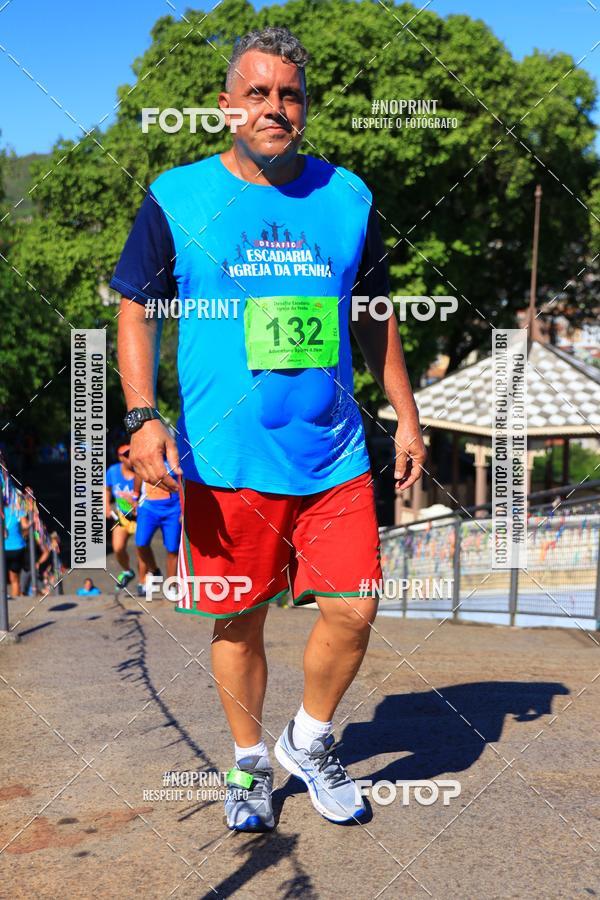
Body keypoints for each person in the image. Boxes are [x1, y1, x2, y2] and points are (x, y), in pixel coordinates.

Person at [111, 26, 425, 831]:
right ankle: (250, 761)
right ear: (227, 106)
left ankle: (309, 740)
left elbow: (374, 313)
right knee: (238, 618)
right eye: (258, 93)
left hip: (332, 452)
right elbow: (136, 308)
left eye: (290, 94)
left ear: (304, 107)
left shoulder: (348, 197)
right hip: (226, 459)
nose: (274, 107)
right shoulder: (178, 196)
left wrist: (407, 416)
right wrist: (142, 416)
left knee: (354, 609)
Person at [105, 444, 157, 589]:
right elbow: (106, 488)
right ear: (120, 458)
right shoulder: (113, 471)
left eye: (131, 454)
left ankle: (142, 581)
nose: (130, 458)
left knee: (141, 549)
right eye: (126, 455)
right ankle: (128, 571)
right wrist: (106, 506)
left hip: (141, 517)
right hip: (122, 518)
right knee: (118, 548)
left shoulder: (141, 471)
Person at [132, 473, 181, 598]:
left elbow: (183, 479)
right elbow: (139, 472)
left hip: (173, 508)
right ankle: (154, 570)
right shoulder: (145, 458)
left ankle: (171, 586)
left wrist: (184, 508)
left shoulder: (176, 460)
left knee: (173, 549)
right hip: (148, 506)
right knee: (141, 543)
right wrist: (135, 496)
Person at [3, 502, 29, 598]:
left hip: (3, 549)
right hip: (17, 548)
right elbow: (25, 526)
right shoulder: (18, 510)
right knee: (14, 578)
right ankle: (15, 602)